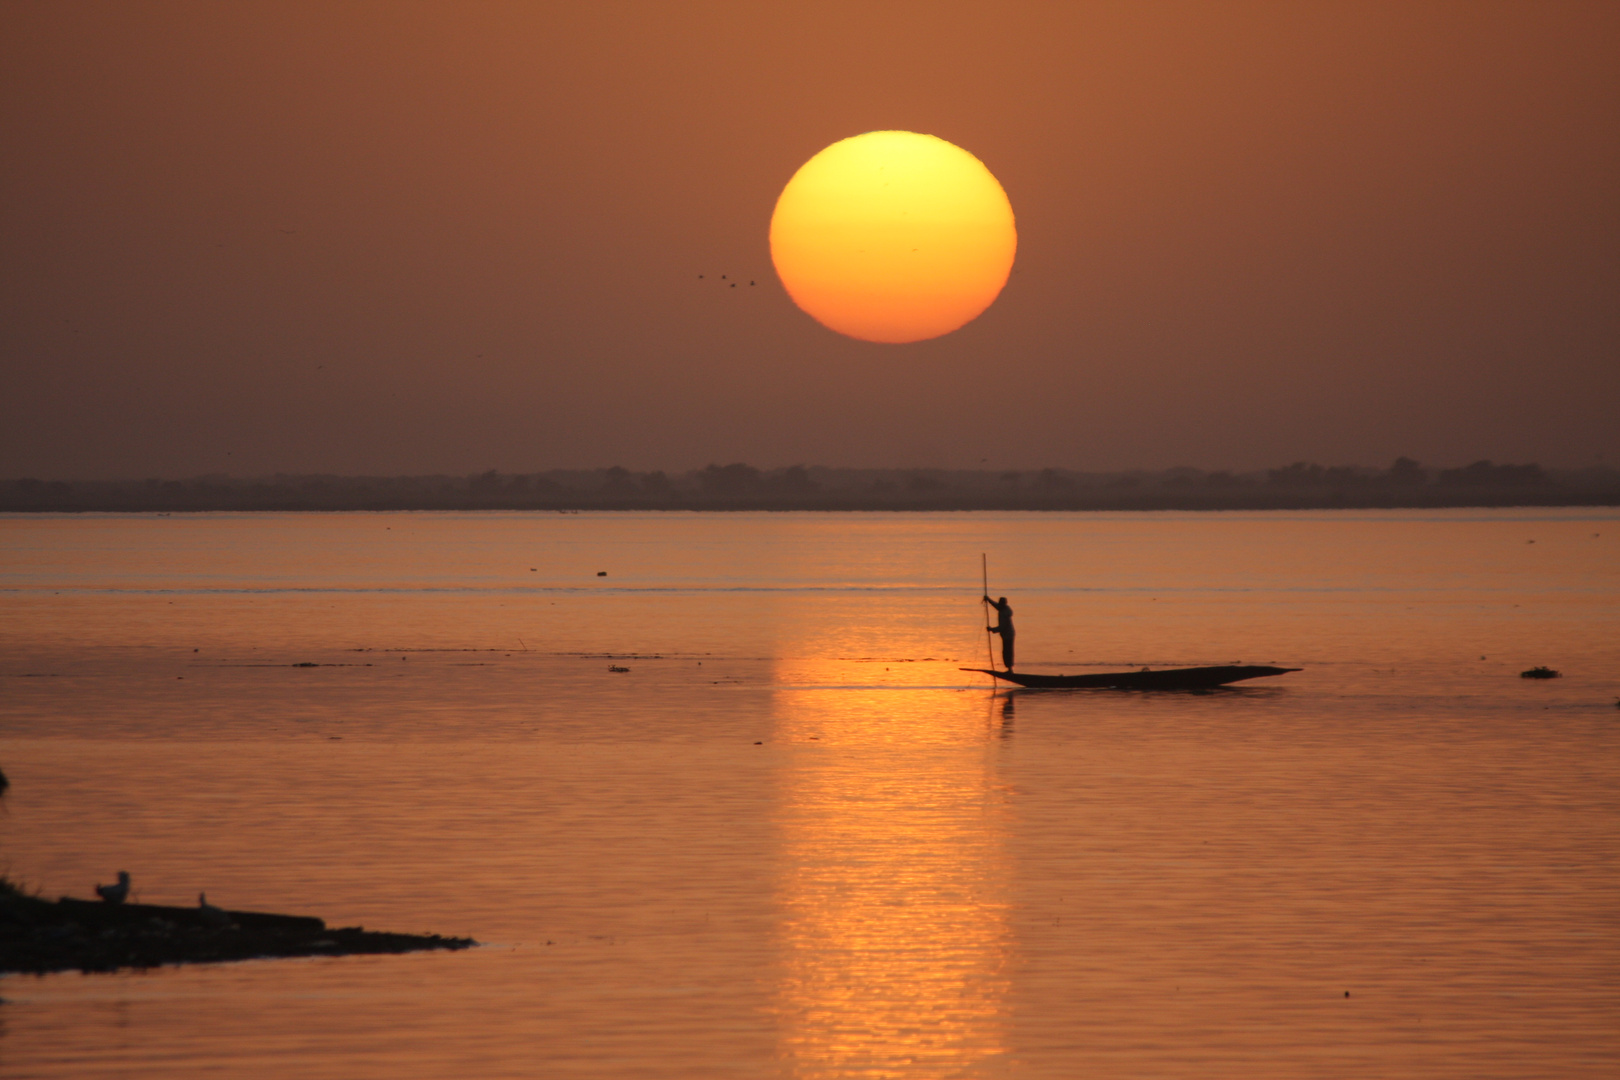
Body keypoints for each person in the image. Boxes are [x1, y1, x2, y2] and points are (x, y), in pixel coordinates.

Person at [984, 595, 1015, 670]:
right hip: (1006, 635)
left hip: (1008, 634)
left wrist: (991, 629)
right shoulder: (1002, 609)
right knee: (1006, 651)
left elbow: (1002, 627)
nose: (999, 604)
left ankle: (1010, 669)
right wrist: (988, 600)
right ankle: (1009, 668)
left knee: (1007, 652)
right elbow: (996, 605)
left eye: (1000, 603)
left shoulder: (1004, 613)